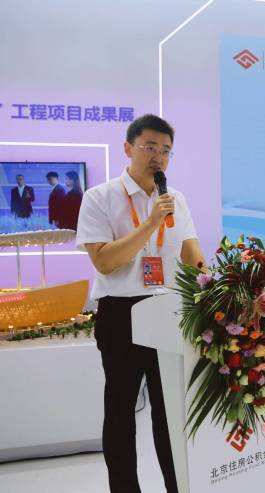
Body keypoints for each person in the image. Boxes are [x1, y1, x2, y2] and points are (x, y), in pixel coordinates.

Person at [76, 114, 205, 493]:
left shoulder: (175, 199)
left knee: (171, 415)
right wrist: (150, 223)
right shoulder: (99, 197)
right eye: (150, 147)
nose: (158, 156)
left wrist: (215, 283)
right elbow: (104, 262)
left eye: (166, 150)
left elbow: (192, 257)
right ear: (128, 148)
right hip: (122, 314)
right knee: (121, 413)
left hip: (169, 313)